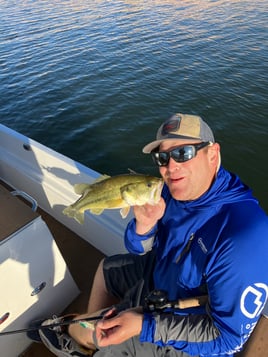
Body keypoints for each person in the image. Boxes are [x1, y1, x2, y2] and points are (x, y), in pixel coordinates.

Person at [33, 113, 268, 357]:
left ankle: (89, 340)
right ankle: (96, 335)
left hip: (189, 330)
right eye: (162, 157)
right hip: (163, 276)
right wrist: (143, 228)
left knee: (104, 340)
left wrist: (143, 326)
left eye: (183, 153)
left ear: (212, 154)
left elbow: (227, 340)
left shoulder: (246, 233)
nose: (170, 167)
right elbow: (136, 247)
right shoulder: (169, 189)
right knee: (106, 269)